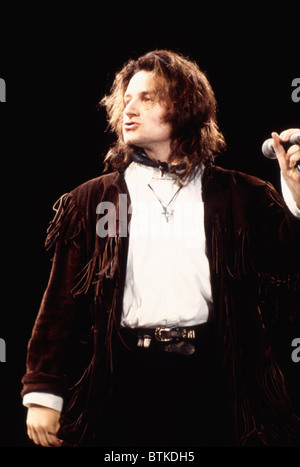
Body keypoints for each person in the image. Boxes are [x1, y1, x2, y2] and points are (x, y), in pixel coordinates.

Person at [22, 50, 300, 448]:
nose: (129, 109)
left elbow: (289, 272)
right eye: (127, 98)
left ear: (185, 107)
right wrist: (43, 390)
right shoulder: (100, 199)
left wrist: (296, 196)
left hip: (216, 376)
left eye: (147, 98)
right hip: (124, 377)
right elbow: (63, 299)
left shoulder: (240, 194)